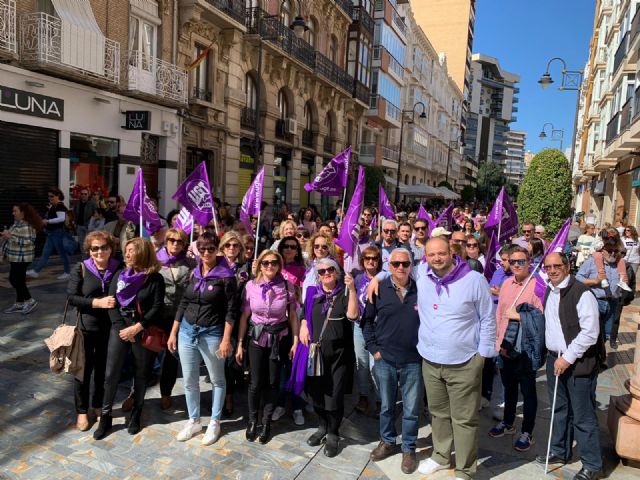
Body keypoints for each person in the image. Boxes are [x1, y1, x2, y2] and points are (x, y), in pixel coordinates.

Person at [416, 236, 496, 479]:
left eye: (441, 253)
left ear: (451, 253)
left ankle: (465, 468)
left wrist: (482, 356)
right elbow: (396, 273)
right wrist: (378, 277)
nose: (436, 259)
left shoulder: (474, 280)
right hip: (430, 361)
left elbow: (488, 318)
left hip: (464, 362)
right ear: (426, 257)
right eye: (431, 255)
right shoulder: (422, 276)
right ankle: (441, 455)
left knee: (464, 420)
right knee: (438, 413)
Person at [166, 232, 238, 445]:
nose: (206, 253)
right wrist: (174, 332)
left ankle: (215, 421)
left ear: (218, 249)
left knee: (217, 379)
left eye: (211, 249)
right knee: (189, 380)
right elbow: (184, 302)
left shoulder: (226, 276)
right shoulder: (194, 273)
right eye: (202, 249)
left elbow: (232, 311)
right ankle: (194, 419)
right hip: (187, 332)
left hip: (212, 334)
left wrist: (226, 339)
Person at [536, 253, 603, 480]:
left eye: (557, 266)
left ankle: (592, 464)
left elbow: (590, 332)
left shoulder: (582, 293)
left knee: (582, 416)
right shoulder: (550, 289)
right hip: (555, 359)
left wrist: (568, 358)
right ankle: (560, 451)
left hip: (578, 362)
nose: (552, 270)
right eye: (548, 267)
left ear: (567, 266)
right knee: (559, 409)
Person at [94, 237, 165, 440]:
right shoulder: (120, 275)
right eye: (126, 250)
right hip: (120, 329)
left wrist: (137, 328)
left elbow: (157, 307)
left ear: (142, 252)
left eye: (131, 250)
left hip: (141, 329)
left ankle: (136, 413)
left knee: (141, 374)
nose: (127, 254)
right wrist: (121, 329)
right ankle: (106, 417)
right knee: (111, 374)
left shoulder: (154, 279)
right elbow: (112, 303)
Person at [362, 249, 422, 474]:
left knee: (411, 409)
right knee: (386, 406)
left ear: (411, 265)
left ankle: (409, 448)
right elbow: (366, 322)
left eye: (405, 264)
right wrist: (374, 349)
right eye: (395, 263)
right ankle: (387, 441)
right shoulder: (378, 290)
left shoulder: (421, 289)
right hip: (385, 358)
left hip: (413, 360)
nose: (400, 268)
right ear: (389, 266)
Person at [293, 257, 359, 457]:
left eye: (330, 269)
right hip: (315, 354)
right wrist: (304, 325)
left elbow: (353, 315)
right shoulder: (313, 293)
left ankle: (333, 433)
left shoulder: (345, 292)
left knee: (334, 396)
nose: (326, 273)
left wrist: (353, 289)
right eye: (321, 271)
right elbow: (304, 314)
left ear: (337, 271)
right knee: (316, 393)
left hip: (339, 356)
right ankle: (322, 426)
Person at [235, 250, 299, 444]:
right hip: (256, 338)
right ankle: (253, 420)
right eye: (265, 263)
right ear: (260, 265)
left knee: (272, 382)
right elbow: (245, 317)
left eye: (273, 263)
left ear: (279, 265)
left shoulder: (287, 286)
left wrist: (295, 340)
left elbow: (293, 315)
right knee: (255, 383)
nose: (269, 266)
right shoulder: (250, 286)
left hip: (278, 339)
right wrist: (239, 344)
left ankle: (266, 422)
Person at [489, 246, 543, 452]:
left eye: (521, 261)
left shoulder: (537, 285)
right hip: (506, 347)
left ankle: (527, 431)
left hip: (526, 349)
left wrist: (519, 316)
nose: (517, 265)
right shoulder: (505, 284)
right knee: (509, 388)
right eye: (513, 262)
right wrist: (498, 343)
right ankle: (508, 422)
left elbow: (541, 318)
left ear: (529, 262)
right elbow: (500, 315)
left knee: (528, 393)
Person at [66, 231, 120, 431]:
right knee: (83, 371)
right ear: (89, 250)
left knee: (102, 372)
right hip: (86, 329)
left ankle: (97, 405)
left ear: (110, 249)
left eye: (104, 247)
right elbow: (71, 298)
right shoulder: (80, 269)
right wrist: (97, 303)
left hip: (111, 329)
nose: (99, 252)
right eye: (94, 248)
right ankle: (81, 411)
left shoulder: (118, 268)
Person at [155, 228, 193, 410]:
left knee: (171, 356)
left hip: (178, 317)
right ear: (166, 241)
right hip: (157, 315)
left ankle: (165, 393)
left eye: (179, 241)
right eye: (171, 240)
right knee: (148, 355)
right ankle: (134, 392)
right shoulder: (156, 261)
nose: (175, 244)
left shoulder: (190, 263)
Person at [219, 231, 251, 416]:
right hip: (219, 317)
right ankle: (226, 394)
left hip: (239, 317)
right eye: (228, 245)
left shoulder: (245, 268)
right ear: (222, 247)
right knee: (223, 359)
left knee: (233, 357)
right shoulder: (216, 265)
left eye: (235, 245)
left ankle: (230, 391)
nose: (232, 248)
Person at [576, 237, 622, 350]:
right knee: (592, 333)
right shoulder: (592, 262)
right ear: (602, 250)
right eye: (609, 250)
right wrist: (595, 281)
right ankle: (592, 361)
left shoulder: (620, 264)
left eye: (615, 251)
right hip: (596, 301)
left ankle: (600, 357)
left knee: (606, 333)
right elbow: (577, 278)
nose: (613, 253)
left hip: (612, 303)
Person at [353, 245, 382, 415]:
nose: (371, 261)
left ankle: (379, 399)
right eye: (367, 258)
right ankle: (364, 395)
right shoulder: (358, 278)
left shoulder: (384, 279)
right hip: (359, 325)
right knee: (361, 363)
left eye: (374, 258)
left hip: (377, 327)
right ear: (362, 261)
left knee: (376, 365)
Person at [2, 203, 44, 314]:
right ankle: (19, 303)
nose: (13, 213)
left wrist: (10, 237)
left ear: (23, 213)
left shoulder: (26, 226)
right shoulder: (17, 224)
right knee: (14, 279)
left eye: (15, 211)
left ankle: (30, 300)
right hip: (15, 257)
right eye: (13, 211)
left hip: (23, 257)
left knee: (17, 280)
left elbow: (28, 242)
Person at [27, 188, 71, 280]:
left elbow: (61, 218)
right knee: (45, 253)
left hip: (57, 233)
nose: (49, 198)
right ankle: (36, 271)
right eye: (49, 196)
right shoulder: (54, 206)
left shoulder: (59, 206)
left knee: (62, 254)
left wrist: (48, 221)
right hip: (52, 234)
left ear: (58, 196)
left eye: (52, 196)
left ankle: (68, 272)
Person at [302, 232, 336, 302]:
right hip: (307, 304)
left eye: (324, 247)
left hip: (320, 305)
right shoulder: (311, 265)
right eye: (316, 246)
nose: (320, 249)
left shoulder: (333, 267)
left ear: (329, 248)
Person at [72, 188, 97, 257]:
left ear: (88, 195)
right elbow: (74, 213)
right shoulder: (77, 203)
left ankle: (91, 261)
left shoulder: (93, 203)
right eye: (82, 194)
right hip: (79, 226)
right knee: (82, 245)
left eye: (85, 194)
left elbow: (96, 214)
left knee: (89, 244)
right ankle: (85, 262)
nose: (83, 195)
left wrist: (91, 224)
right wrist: (75, 223)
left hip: (88, 227)